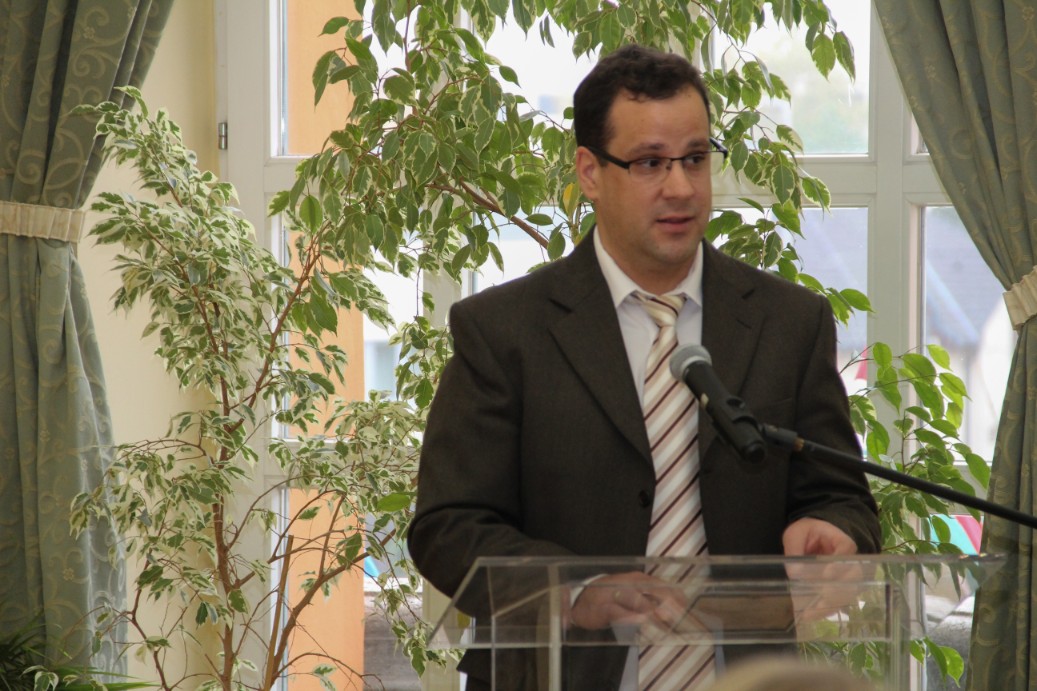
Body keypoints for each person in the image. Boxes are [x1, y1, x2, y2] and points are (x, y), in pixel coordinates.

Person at [407, 44, 881, 690]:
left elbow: (843, 497)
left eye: (695, 158)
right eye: (650, 162)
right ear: (590, 172)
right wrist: (578, 590)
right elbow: (449, 526)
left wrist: (834, 531)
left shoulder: (789, 323)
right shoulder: (504, 331)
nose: (680, 187)